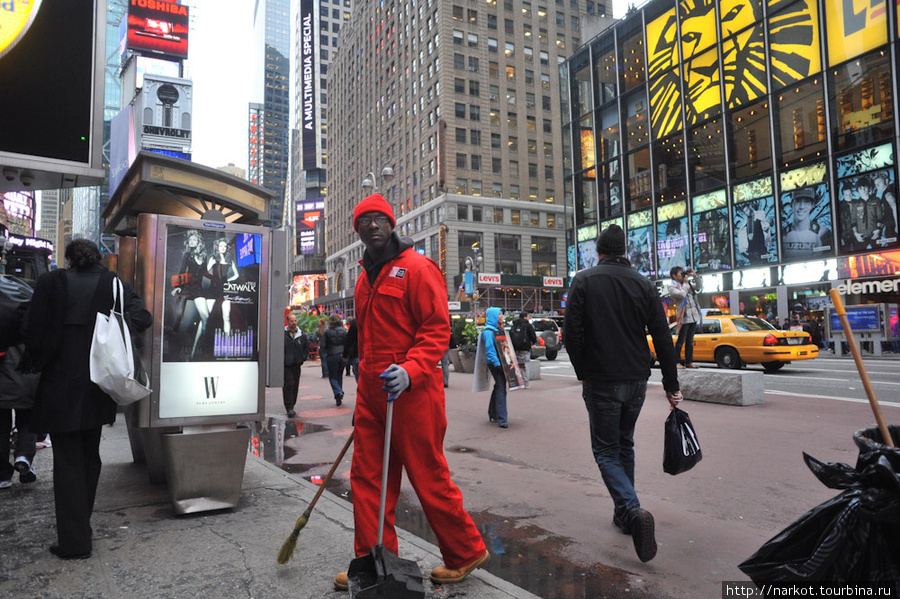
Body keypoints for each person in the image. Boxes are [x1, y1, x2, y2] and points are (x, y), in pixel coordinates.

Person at [334, 194, 488, 591]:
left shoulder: (418, 268)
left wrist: (411, 369)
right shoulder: (362, 278)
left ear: (391, 223)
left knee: (427, 473)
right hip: (373, 394)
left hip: (413, 393)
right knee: (366, 478)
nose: (370, 225)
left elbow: (437, 330)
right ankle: (372, 564)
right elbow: (367, 340)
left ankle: (466, 550)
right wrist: (363, 400)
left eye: (377, 219)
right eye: (363, 221)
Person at [25, 239, 152, 559]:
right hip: (99, 382)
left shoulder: (51, 282)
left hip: (59, 383)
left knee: (67, 461)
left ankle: (74, 541)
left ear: (68, 259)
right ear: (97, 258)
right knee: (89, 457)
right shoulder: (113, 284)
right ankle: (81, 525)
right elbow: (143, 318)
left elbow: (31, 329)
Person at [563, 224, 682, 563]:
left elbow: (572, 333)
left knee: (605, 450)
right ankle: (624, 514)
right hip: (637, 379)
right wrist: (671, 385)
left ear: (599, 251)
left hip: (602, 379)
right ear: (625, 253)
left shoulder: (584, 280)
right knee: (624, 444)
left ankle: (631, 511)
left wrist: (582, 371)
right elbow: (662, 336)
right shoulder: (644, 284)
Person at [1, 344, 39, 489]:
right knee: (27, 418)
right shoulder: (31, 320)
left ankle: (2, 474)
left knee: (1, 427)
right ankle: (24, 456)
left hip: (3, 374)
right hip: (27, 375)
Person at [170, 229, 209, 359]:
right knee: (182, 321)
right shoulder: (187, 255)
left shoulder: (204, 256)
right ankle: (177, 351)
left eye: (194, 239)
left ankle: (203, 347)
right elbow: (182, 271)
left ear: (199, 241)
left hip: (198, 289)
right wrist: (177, 287)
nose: (191, 241)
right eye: (190, 240)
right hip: (187, 288)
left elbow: (206, 274)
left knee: (205, 317)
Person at [668, 265, 703, 368]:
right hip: (684, 316)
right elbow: (682, 295)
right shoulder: (672, 287)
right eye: (680, 274)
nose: (683, 275)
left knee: (690, 341)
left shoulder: (687, 284)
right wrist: (686, 284)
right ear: (674, 276)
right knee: (681, 340)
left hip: (693, 316)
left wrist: (695, 275)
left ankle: (689, 361)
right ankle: (676, 362)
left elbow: (699, 287)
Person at [480, 307, 508, 427]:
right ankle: (502, 419)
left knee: (499, 387)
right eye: (499, 314)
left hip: (498, 363)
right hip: (496, 364)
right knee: (501, 388)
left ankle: (493, 413)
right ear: (493, 316)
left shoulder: (495, 330)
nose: (502, 316)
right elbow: (490, 350)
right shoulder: (488, 332)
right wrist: (498, 365)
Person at [784, 188, 830, 260]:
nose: (802, 206)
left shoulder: (824, 233)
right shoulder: (782, 234)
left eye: (807, 202)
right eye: (798, 201)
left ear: (812, 205)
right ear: (791, 205)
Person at [283, 314, 309, 418]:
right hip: (286, 364)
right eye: (291, 321)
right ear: (288, 322)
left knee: (295, 385)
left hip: (297, 364)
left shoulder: (301, 335)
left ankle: (292, 405)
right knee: (289, 384)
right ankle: (289, 407)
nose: (294, 323)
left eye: (295, 321)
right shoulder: (283, 334)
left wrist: (302, 358)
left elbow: (306, 347)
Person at [320, 314, 347, 406]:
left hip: (332, 355)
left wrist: (326, 352)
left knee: (332, 376)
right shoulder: (344, 331)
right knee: (339, 375)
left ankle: (338, 392)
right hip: (342, 355)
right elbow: (348, 343)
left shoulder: (327, 331)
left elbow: (323, 345)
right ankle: (339, 393)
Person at [509, 311, 537, 389]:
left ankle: (516, 383)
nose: (529, 318)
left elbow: (510, 335)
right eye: (528, 316)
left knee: (516, 365)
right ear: (525, 317)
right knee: (525, 365)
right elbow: (533, 336)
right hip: (525, 348)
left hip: (515, 348)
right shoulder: (528, 325)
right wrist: (533, 343)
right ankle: (526, 384)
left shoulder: (514, 324)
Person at [341, 318, 360, 383]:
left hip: (357, 353)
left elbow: (349, 339)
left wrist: (345, 355)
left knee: (359, 380)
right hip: (371, 354)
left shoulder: (356, 322)